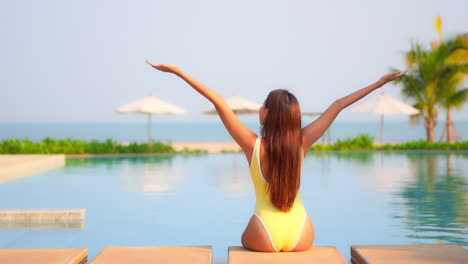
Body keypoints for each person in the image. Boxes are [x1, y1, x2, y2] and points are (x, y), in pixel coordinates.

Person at [146, 60, 407, 252]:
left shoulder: (252, 145)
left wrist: (178, 72)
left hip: (264, 231)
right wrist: (380, 83)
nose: (260, 108)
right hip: (303, 231)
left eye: (263, 105)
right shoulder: (302, 142)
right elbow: (338, 105)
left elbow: (218, 102)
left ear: (268, 114)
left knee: (240, 242)